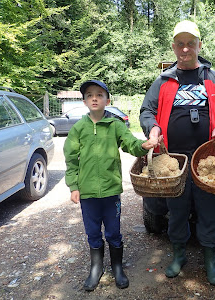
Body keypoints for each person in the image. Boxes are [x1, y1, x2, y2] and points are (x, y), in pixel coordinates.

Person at [139, 20, 215, 285]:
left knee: (209, 210)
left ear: (199, 46)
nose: (185, 49)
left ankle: (210, 259)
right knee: (177, 211)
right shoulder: (164, 80)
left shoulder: (212, 77)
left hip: (207, 160)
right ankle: (179, 255)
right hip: (174, 162)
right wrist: (153, 128)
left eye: (190, 43)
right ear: (173, 47)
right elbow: (146, 111)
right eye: (180, 44)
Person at [63, 80, 158, 291]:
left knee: (114, 232)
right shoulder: (78, 128)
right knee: (92, 232)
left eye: (99, 94)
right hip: (87, 194)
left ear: (108, 99)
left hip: (110, 191)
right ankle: (96, 268)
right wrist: (74, 186)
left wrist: (143, 145)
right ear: (85, 101)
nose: (94, 98)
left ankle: (117, 267)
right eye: (89, 95)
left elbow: (130, 143)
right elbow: (71, 160)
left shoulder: (115, 125)